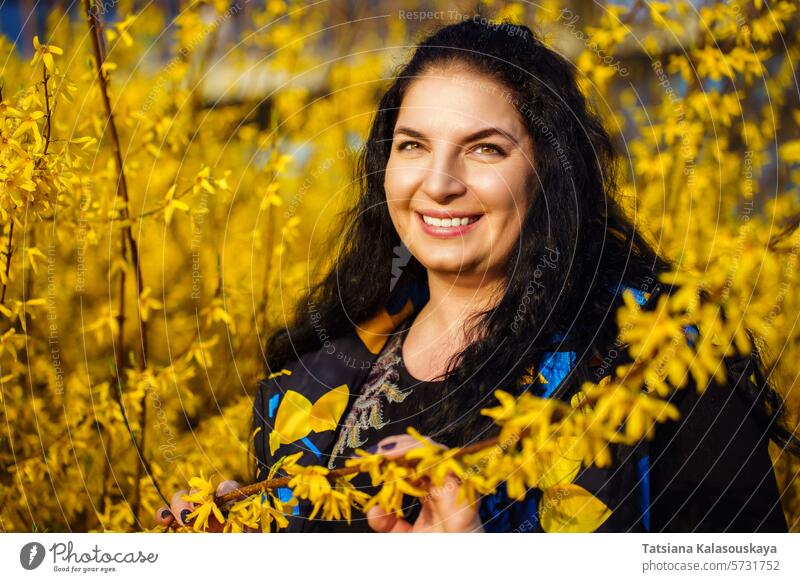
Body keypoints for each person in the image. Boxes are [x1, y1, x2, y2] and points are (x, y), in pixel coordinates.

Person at [156, 19, 794, 533]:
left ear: (550, 171)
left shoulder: (656, 357)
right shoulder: (310, 391)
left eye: (485, 148)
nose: (438, 184)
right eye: (413, 146)